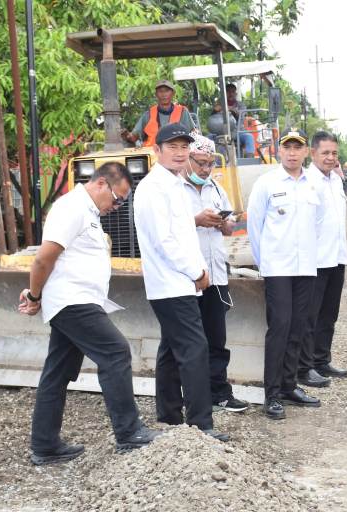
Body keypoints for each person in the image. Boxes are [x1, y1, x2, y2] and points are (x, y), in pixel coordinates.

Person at [19, 162, 161, 465]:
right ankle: (129, 432)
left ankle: (45, 446)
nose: (118, 206)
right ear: (100, 184)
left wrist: (40, 294)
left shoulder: (89, 213)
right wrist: (34, 295)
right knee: (116, 352)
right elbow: (44, 259)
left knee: (56, 373)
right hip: (73, 302)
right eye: (118, 198)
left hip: (77, 300)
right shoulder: (72, 208)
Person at [133, 123, 229, 442]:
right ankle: (201, 425)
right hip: (171, 282)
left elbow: (182, 236)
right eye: (171, 146)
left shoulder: (172, 184)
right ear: (156, 151)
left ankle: (170, 414)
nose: (179, 152)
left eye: (183, 146)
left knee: (172, 348)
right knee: (194, 348)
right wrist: (197, 271)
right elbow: (165, 241)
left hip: (177, 281)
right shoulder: (154, 188)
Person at [247, 128, 324, 420]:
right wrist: (263, 262)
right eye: (287, 147)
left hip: (305, 267)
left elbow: (316, 223)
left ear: (306, 152)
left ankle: (290, 386)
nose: (292, 152)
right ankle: (272, 394)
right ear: (279, 151)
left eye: (298, 147)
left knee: (298, 327)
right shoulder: (266, 183)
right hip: (278, 267)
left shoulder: (312, 185)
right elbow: (255, 226)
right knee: (279, 327)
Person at [183, 134, 249, 413]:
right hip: (188, 276)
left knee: (216, 338)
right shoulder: (174, 190)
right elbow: (165, 229)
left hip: (216, 275)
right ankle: (190, 397)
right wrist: (196, 221)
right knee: (189, 342)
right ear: (187, 159)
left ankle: (219, 392)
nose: (205, 169)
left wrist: (223, 224)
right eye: (200, 163)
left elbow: (230, 226)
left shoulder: (216, 188)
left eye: (209, 163)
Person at [297, 131, 347, 388]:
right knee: (309, 317)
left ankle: (322, 360)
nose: (330, 158)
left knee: (329, 314)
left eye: (334, 153)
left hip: (337, 256)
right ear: (313, 153)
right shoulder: (307, 181)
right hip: (315, 260)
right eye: (325, 153)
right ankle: (304, 368)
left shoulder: (335, 181)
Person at [122, 79, 196, 147]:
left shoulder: (182, 112)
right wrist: (127, 135)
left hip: (175, 154)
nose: (164, 94)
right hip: (152, 155)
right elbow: (134, 137)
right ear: (156, 94)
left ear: (173, 93)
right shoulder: (148, 115)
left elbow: (193, 134)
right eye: (160, 91)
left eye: (167, 91)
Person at [226, 84, 256, 158]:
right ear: (224, 93)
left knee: (249, 137)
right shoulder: (219, 105)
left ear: (235, 94)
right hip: (222, 132)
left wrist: (233, 111)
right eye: (228, 91)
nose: (230, 94)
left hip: (238, 131)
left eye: (232, 92)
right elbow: (213, 118)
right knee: (209, 137)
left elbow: (241, 117)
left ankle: (250, 160)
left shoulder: (241, 105)